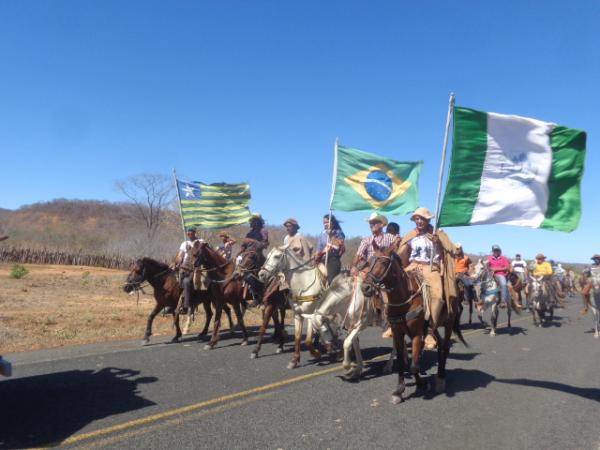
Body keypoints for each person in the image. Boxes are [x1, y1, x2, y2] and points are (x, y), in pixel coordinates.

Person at [398, 207, 456, 350]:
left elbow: (453, 250)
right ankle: (393, 323)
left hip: (431, 268)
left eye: (422, 218)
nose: (419, 221)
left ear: (428, 220)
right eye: (417, 218)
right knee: (395, 286)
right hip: (413, 266)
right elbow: (401, 253)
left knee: (437, 296)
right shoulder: (410, 234)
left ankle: (430, 330)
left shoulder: (438, 234)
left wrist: (438, 242)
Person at [241, 213, 269, 307]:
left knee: (249, 274)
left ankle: (257, 297)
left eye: (253, 221)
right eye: (251, 221)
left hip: (258, 257)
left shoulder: (263, 232)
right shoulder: (249, 233)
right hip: (247, 256)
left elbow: (265, 245)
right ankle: (238, 296)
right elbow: (243, 246)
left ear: (258, 222)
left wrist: (254, 244)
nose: (251, 223)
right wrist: (236, 255)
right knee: (238, 271)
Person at [174, 227, 203, 315]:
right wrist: (176, 262)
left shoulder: (200, 241)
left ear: (195, 233)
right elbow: (180, 255)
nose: (189, 235)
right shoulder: (184, 243)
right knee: (173, 281)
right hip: (184, 266)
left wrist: (191, 248)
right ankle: (172, 304)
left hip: (196, 267)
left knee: (186, 282)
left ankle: (186, 306)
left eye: (191, 233)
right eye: (188, 233)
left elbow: (201, 251)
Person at [316, 214, 345, 285]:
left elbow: (339, 246)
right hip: (322, 259)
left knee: (331, 281)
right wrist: (316, 257)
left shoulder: (339, 233)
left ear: (332, 222)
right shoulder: (322, 235)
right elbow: (318, 249)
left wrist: (331, 235)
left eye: (327, 222)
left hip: (333, 259)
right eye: (324, 223)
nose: (325, 224)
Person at [486, 245, 510, 309]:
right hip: (491, 275)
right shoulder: (489, 258)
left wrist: (496, 269)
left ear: (499, 251)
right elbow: (487, 266)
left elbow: (507, 267)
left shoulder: (503, 258)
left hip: (501, 275)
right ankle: (480, 298)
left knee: (504, 284)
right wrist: (489, 268)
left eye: (497, 250)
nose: (496, 252)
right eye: (494, 251)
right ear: (492, 251)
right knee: (481, 283)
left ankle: (503, 301)